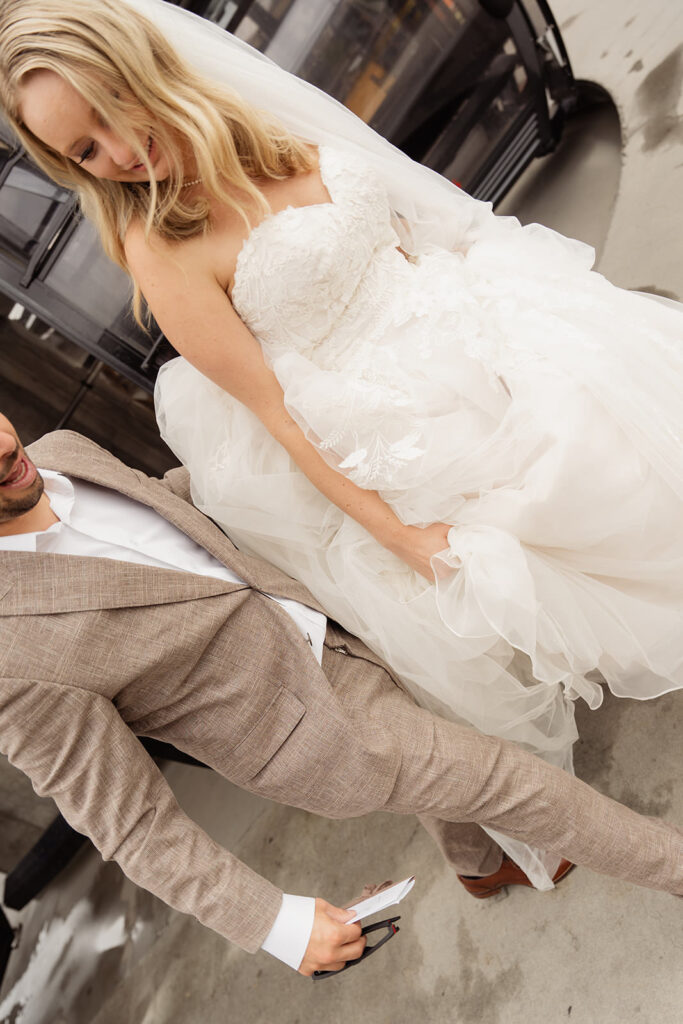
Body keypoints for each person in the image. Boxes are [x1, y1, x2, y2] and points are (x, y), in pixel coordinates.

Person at [0, 0, 682, 888]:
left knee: (625, 416)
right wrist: (403, 538)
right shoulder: (160, 252)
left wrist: (484, 294)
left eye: (110, 113)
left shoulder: (257, 112)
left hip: (455, 314)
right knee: (564, 513)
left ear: (144, 70)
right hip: (377, 415)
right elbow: (280, 414)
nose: (120, 156)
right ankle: (486, 853)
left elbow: (398, 212)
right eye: (84, 153)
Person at [1, 409, 682, 979]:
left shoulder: (62, 450)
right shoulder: (13, 661)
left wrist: (246, 458)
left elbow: (168, 513)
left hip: (334, 607)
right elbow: (132, 825)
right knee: (514, 783)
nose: (5, 448)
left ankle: (476, 863)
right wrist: (273, 922)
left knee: (440, 735)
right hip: (318, 730)